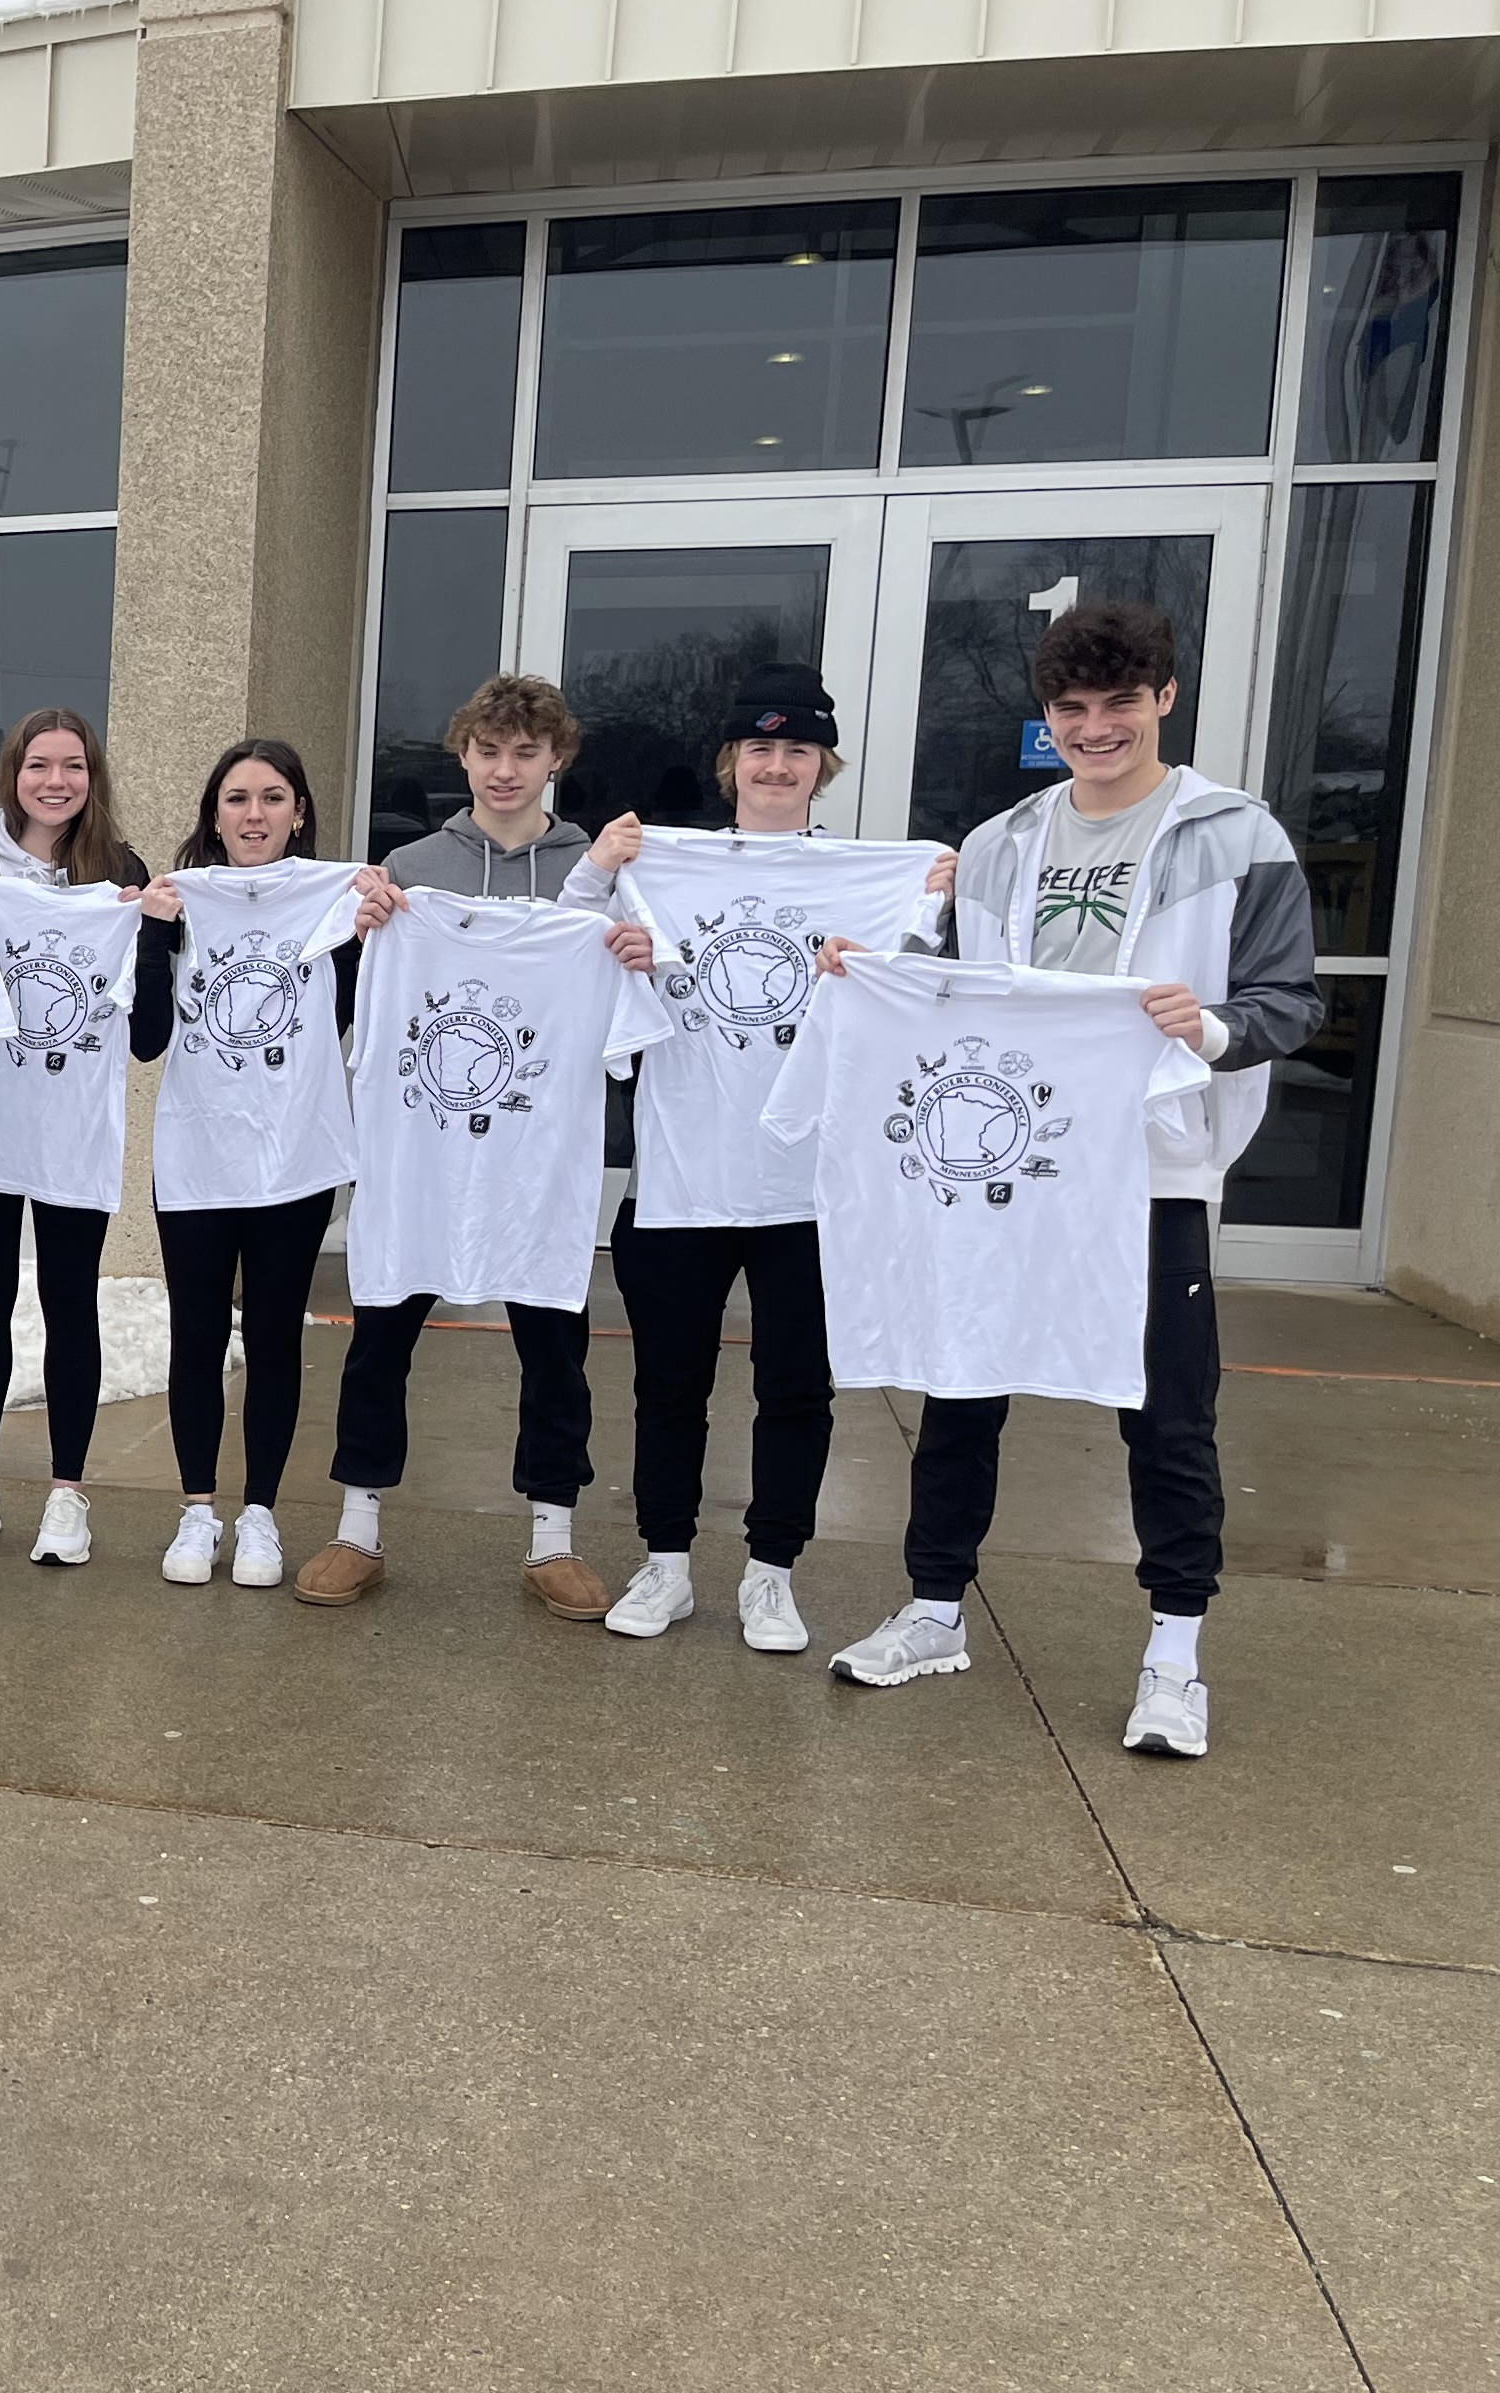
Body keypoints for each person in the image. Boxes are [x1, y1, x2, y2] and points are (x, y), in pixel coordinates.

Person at [827, 599, 1323, 1759]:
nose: (1095, 728)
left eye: (1118, 704)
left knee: (1167, 1418)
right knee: (960, 1391)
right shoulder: (1002, 842)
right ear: (1047, 717)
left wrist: (1205, 1029)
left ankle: (1174, 1658)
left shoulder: (1239, 836)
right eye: (1071, 709)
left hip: (1153, 1173)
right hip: (1009, 1175)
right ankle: (935, 1610)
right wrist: (869, 972)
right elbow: (953, 993)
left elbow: (1292, 1002)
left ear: (1164, 699)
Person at [567, 666, 950, 1655]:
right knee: (668, 1385)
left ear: (823, 767)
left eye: (799, 750)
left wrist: (932, 907)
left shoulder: (867, 879)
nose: (777, 765)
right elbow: (567, 947)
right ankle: (666, 1565)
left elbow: (921, 989)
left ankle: (771, 1574)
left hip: (810, 1185)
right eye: (760, 748)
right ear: (731, 761)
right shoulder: (666, 863)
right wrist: (602, 876)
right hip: (684, 1175)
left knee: (795, 1391)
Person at [297, 671, 651, 1618]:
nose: (505, 770)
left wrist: (624, 953)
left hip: (539, 1161)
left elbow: (633, 1019)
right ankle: (357, 1524)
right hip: (421, 1154)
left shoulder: (603, 874)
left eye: (525, 753)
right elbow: (353, 1017)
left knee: (554, 1344)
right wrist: (362, 932)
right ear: (463, 755)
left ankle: (552, 1536)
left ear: (556, 760)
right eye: (488, 751)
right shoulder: (409, 871)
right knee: (380, 1336)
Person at [137, 736, 387, 1591]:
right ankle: (197, 1510)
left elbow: (350, 1017)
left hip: (295, 1156)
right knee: (198, 1338)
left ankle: (262, 1516)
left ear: (301, 813)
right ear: (215, 814)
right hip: (198, 1154)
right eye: (238, 799)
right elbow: (144, 1039)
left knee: (277, 1339)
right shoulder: (181, 906)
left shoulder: (329, 903)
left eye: (273, 798)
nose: (255, 814)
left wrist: (361, 930)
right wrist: (150, 937)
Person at [0, 707, 167, 1569]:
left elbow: (148, 1036)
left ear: (91, 778)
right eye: (40, 766)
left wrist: (151, 933)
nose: (56, 781)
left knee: (72, 1303)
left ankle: (69, 1496)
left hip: (73, 1126)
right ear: (13, 774)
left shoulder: (121, 874)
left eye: (73, 766)